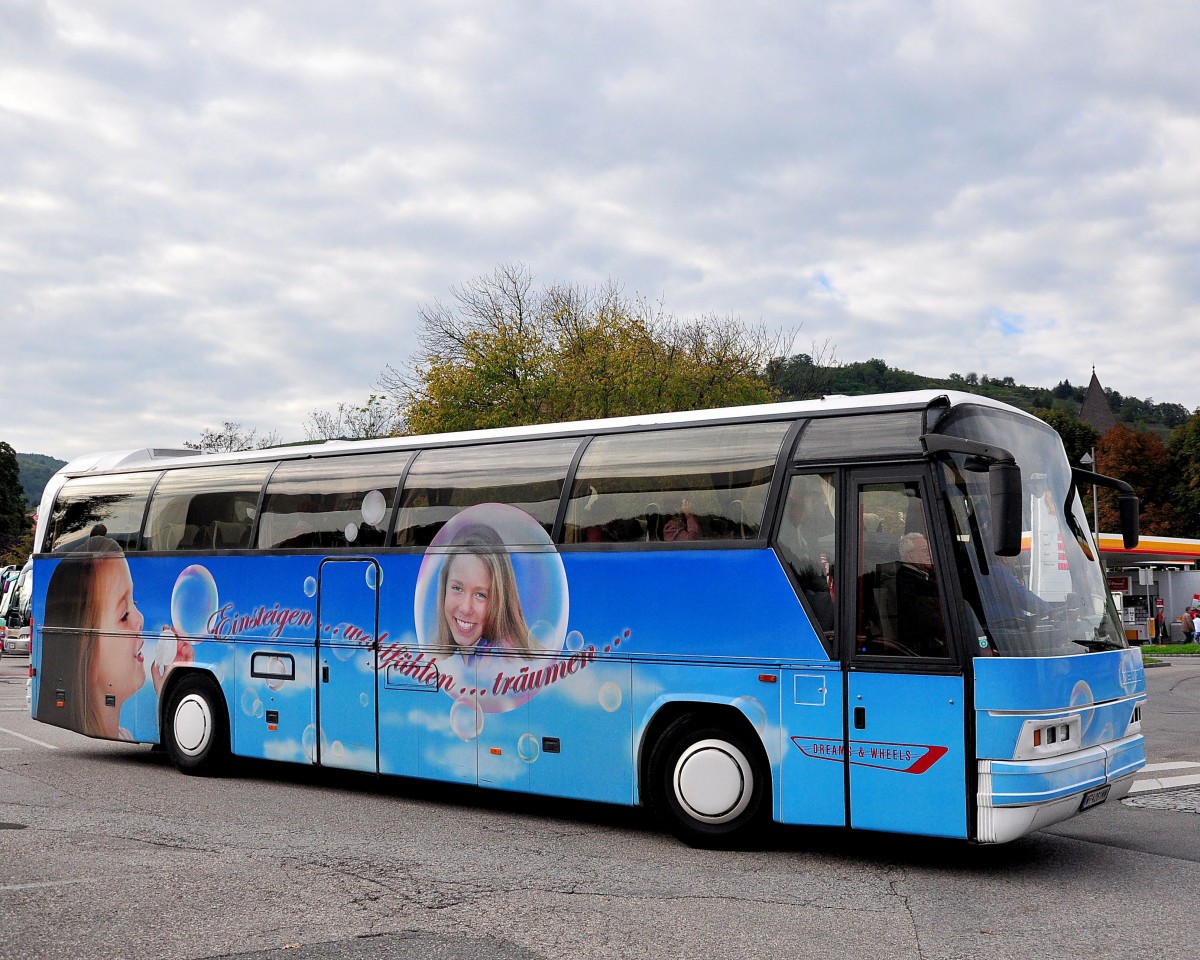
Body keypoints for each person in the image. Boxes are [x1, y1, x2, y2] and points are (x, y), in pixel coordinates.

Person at [37, 535, 193, 740]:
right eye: (124, 615)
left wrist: (170, 693)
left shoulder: (126, 734)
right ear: (84, 653)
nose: (140, 619)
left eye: (134, 602)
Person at [434, 523, 533, 662]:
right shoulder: (444, 658)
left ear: (500, 601)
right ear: (444, 588)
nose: (466, 608)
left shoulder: (504, 661)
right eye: (457, 588)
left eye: (480, 595)